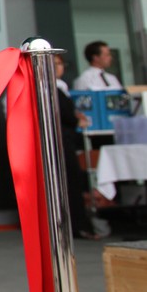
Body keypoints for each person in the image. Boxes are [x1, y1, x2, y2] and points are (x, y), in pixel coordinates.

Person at [54, 54, 102, 240]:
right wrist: (76, 120)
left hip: (66, 141)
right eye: (55, 64)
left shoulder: (61, 88)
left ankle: (76, 225)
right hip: (61, 143)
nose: (59, 67)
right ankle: (77, 226)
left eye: (60, 63)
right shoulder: (52, 89)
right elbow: (64, 116)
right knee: (70, 184)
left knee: (71, 183)